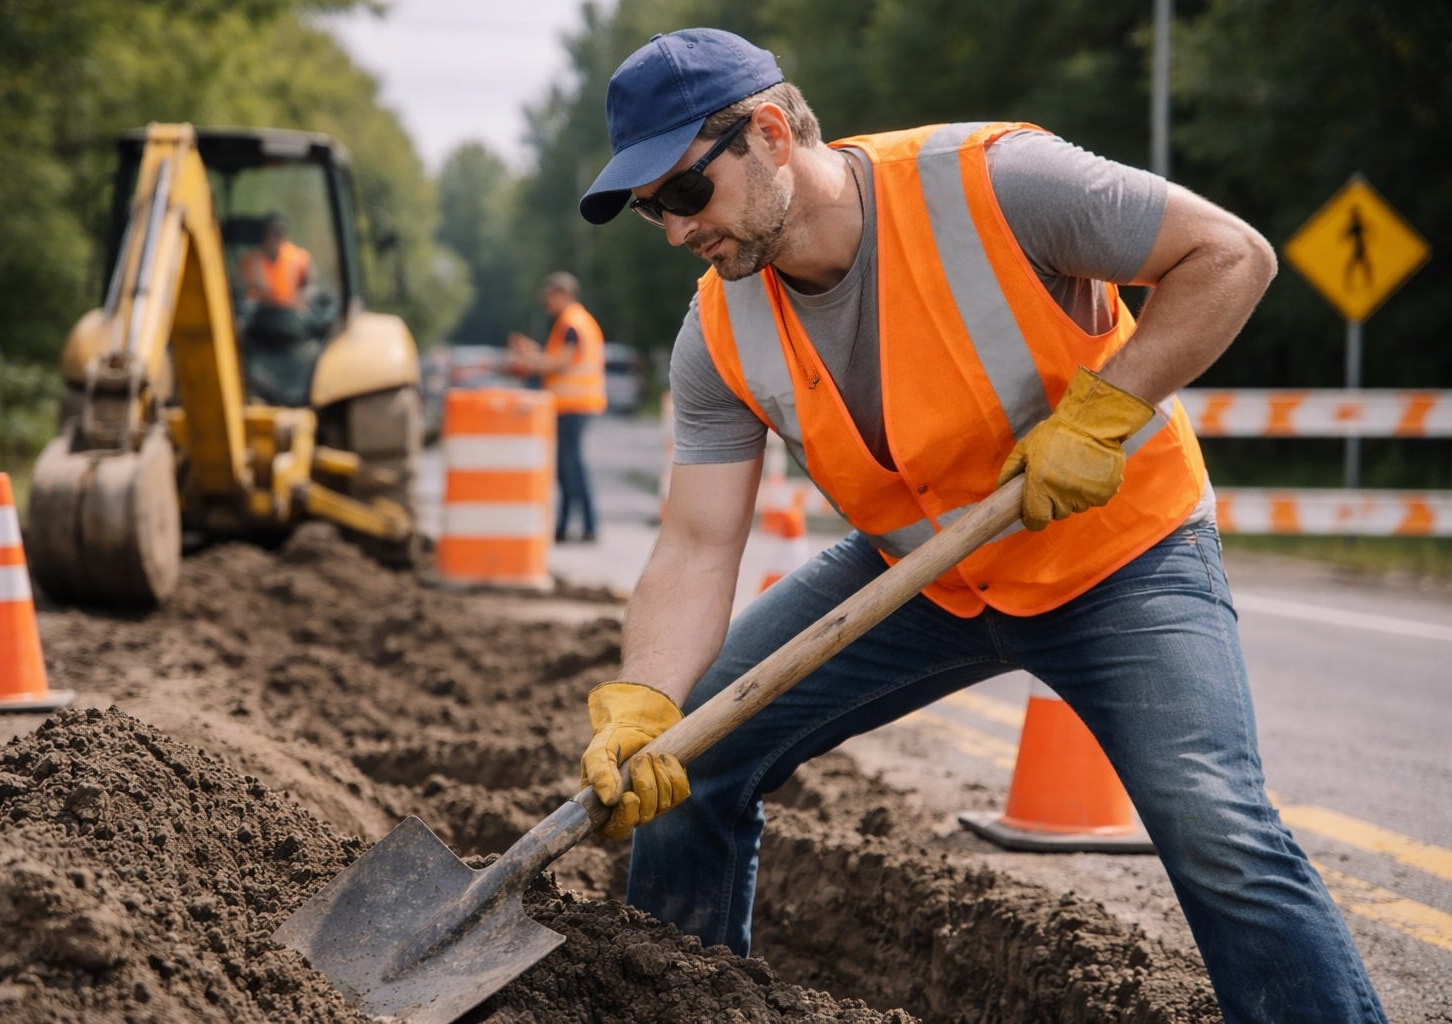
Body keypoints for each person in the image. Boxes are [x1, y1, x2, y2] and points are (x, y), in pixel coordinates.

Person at [572, 27, 1387, 1024]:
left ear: (772, 134)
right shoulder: (718, 331)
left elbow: (1231, 256)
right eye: (651, 208)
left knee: (1214, 827)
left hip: (1122, 559)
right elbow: (698, 545)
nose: (672, 228)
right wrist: (650, 702)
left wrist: (1105, 411)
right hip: (926, 582)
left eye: (684, 193)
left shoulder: (995, 183)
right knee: (692, 763)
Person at [507, 272, 608, 543]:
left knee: (570, 467)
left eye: (549, 297)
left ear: (561, 294)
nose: (546, 304)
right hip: (576, 405)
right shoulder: (577, 322)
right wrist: (534, 353)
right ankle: (574, 526)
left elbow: (560, 362)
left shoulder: (571, 323)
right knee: (569, 467)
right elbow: (560, 358)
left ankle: (580, 526)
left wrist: (530, 361)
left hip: (573, 405)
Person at [240, 212, 312, 310]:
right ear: (263, 236)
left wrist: (302, 298)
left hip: (289, 314)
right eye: (274, 233)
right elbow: (242, 289)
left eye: (282, 232)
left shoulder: (299, 257)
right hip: (259, 314)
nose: (279, 237)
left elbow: (311, 286)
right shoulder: (250, 260)